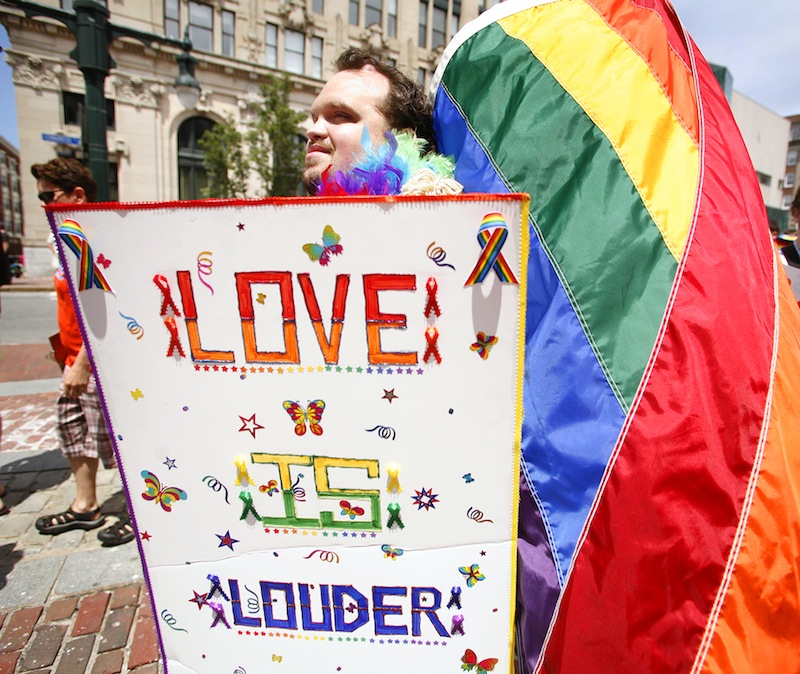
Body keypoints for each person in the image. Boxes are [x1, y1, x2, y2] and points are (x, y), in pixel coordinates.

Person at [30, 158, 134, 547]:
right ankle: (85, 505)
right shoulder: (61, 240)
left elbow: (103, 307)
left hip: (92, 360)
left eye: (48, 194)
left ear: (76, 195)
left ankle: (134, 511)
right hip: (72, 355)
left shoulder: (84, 239)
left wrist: (82, 362)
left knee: (119, 437)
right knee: (74, 427)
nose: (42, 202)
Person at [303, 48, 460, 197]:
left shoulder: (441, 220)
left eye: (341, 115)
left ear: (402, 138)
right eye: (315, 118)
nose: (313, 130)